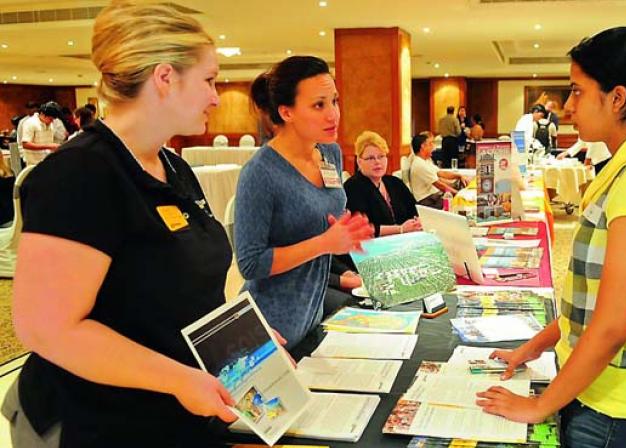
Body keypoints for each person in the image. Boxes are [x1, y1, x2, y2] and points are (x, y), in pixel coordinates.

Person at [4, 3, 241, 446]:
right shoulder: (80, 174)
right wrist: (178, 379)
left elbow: (179, 288)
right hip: (95, 422)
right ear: (165, 78)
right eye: (209, 80)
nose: (215, 96)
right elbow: (47, 329)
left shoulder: (172, 166)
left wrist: (241, 342)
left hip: (168, 415)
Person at [476, 27, 626, 448]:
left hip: (617, 405)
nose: (568, 107)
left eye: (578, 92)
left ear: (617, 98)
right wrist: (530, 348)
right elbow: (586, 306)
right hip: (602, 392)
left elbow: (611, 326)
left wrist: (538, 406)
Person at [237, 55, 373, 350]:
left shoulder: (330, 154)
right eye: (318, 105)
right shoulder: (260, 172)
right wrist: (325, 243)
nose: (333, 115)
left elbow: (321, 218)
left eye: (334, 101)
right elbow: (250, 263)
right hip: (271, 327)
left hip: (312, 313)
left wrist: (347, 231)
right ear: (286, 112)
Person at [344, 130, 422, 237]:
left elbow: (415, 209)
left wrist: (417, 221)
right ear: (359, 162)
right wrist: (400, 229)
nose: (377, 162)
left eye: (381, 156)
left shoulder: (394, 182)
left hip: (405, 241)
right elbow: (363, 229)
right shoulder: (352, 187)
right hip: (374, 247)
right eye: (371, 158)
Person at [408, 131, 467, 209]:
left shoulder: (425, 161)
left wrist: (459, 176)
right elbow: (440, 185)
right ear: (423, 146)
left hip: (434, 196)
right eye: (430, 144)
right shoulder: (419, 164)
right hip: (427, 201)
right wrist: (458, 194)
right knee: (459, 203)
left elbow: (441, 173)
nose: (433, 147)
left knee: (459, 187)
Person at [19, 101, 62, 165]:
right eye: (50, 119)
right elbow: (25, 144)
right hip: (34, 163)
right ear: (42, 114)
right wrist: (48, 146)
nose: (52, 121)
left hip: (47, 161)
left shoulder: (50, 124)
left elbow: (49, 143)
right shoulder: (30, 123)